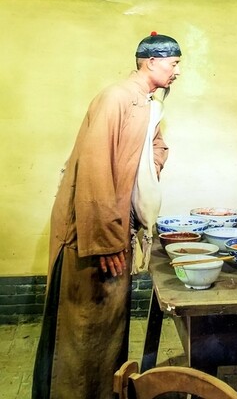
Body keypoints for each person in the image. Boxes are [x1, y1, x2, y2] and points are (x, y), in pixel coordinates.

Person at [32, 32, 182, 399]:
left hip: (115, 226)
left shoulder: (146, 103)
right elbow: (94, 170)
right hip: (90, 233)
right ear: (151, 62)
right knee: (84, 326)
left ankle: (106, 391)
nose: (177, 71)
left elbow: (157, 147)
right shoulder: (116, 98)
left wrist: (144, 171)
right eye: (174, 63)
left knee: (107, 326)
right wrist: (105, 241)